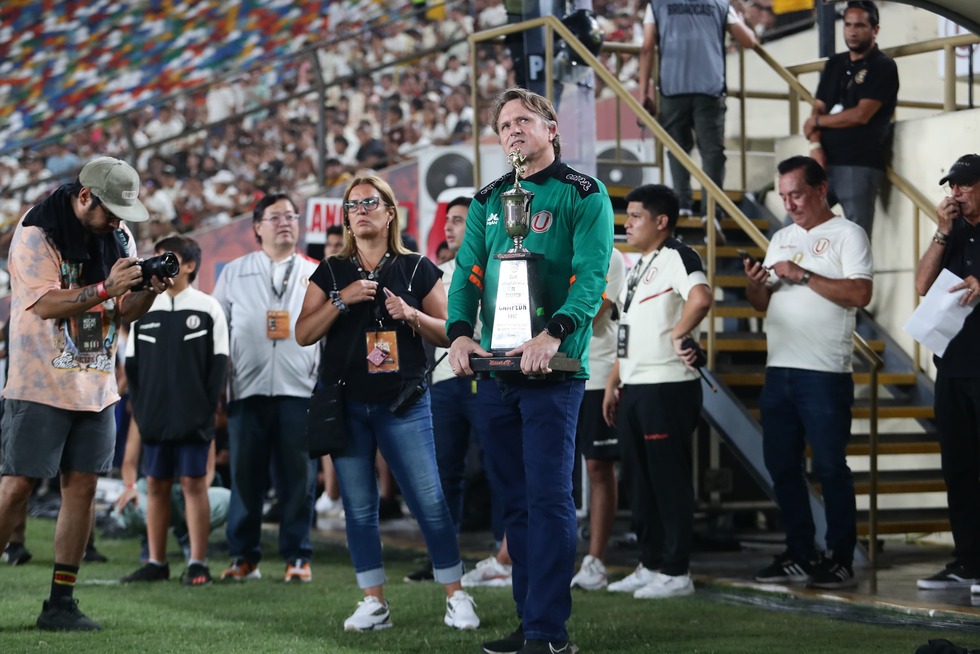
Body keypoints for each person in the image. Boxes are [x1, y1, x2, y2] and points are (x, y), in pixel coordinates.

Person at [447, 87, 614, 654]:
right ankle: (528, 623)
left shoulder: (584, 193)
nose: (513, 130)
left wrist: (553, 333)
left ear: (551, 129)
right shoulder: (489, 199)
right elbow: (468, 272)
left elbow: (592, 277)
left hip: (554, 370)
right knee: (514, 503)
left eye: (523, 120)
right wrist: (460, 333)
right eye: (504, 126)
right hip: (496, 373)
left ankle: (549, 631)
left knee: (547, 499)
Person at [295, 175, 479, 632]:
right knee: (358, 508)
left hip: (405, 401)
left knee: (430, 502)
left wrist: (412, 315)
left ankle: (456, 594)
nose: (360, 210)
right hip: (348, 403)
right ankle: (373, 601)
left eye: (369, 202)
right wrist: (341, 300)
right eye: (352, 205)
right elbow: (302, 333)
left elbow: (455, 334)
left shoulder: (417, 268)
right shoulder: (331, 272)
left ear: (390, 212)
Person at [0, 156, 171, 631]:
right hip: (38, 383)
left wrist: (148, 290)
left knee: (84, 489)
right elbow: (45, 303)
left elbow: (125, 310)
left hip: (95, 386)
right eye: (111, 210)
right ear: (84, 197)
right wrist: (104, 286)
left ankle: (60, 603)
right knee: (16, 488)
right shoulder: (36, 229)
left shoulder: (118, 236)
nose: (118, 221)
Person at [745, 156, 872, 590]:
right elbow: (761, 303)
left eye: (796, 194)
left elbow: (860, 292)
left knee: (831, 467)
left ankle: (839, 557)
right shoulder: (781, 236)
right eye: (783, 196)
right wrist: (757, 283)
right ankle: (800, 551)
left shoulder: (848, 234)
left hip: (823, 371)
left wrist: (802, 274)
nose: (790, 204)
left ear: (821, 189)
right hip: (778, 367)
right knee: (781, 466)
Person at [602, 184, 712, 600]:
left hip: (667, 386)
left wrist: (681, 333)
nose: (626, 223)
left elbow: (701, 298)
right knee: (638, 481)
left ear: (661, 221)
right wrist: (615, 383)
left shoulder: (677, 255)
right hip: (635, 387)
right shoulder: (637, 266)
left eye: (635, 216)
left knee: (668, 480)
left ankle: (677, 570)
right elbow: (628, 332)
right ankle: (650, 563)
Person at [211, 193, 320, 583]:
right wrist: (220, 389)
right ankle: (243, 557)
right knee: (245, 477)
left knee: (299, 479)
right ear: (257, 227)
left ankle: (297, 556)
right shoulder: (234, 272)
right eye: (275, 217)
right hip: (246, 390)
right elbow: (218, 333)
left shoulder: (315, 271)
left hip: (299, 390)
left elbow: (326, 332)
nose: (285, 222)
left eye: (291, 216)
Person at [118, 234, 229, 587]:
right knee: (156, 485)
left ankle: (198, 562)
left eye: (170, 257)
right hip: (154, 419)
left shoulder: (209, 307)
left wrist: (206, 410)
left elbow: (219, 367)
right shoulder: (142, 308)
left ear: (191, 265)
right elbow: (132, 368)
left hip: (194, 417)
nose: (160, 262)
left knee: (194, 485)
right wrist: (143, 411)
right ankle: (156, 561)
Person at [914, 154, 980, 592]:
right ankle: (969, 560)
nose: (955, 193)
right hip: (953, 366)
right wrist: (941, 231)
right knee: (959, 467)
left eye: (965, 185)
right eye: (952, 186)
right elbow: (921, 285)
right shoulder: (952, 233)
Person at [639, 0, 756, 217]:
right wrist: (740, 17)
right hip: (709, 88)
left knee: (677, 149)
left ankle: (682, 204)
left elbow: (647, 47)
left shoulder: (657, 4)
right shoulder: (720, 4)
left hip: (673, 88)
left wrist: (644, 92)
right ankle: (711, 211)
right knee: (712, 152)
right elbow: (749, 41)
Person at [803, 0, 898, 239]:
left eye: (860, 25)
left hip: (859, 164)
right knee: (794, 225)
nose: (852, 31)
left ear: (875, 30)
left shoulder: (883, 66)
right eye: (847, 25)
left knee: (856, 238)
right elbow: (817, 109)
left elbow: (860, 114)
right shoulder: (835, 63)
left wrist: (817, 123)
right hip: (823, 162)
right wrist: (815, 146)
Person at [570, 247, 626, 591]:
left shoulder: (611, 256)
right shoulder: (552, 243)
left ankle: (595, 561)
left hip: (596, 370)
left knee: (598, 467)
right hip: (552, 369)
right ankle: (523, 555)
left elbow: (593, 313)